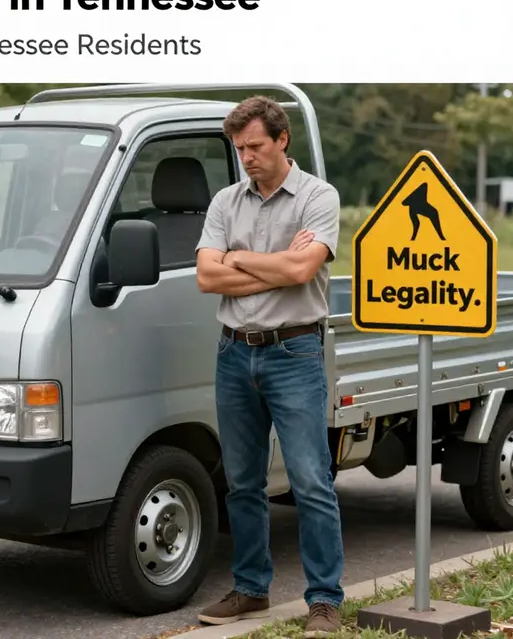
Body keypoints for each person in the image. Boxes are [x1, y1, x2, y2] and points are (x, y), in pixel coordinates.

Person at [195, 95, 345, 637]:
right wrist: (277, 267)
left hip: (295, 352)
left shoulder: (317, 197)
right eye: (239, 149)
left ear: (282, 140)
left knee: (310, 480)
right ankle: (250, 590)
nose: (247, 157)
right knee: (242, 483)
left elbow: (305, 266)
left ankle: (325, 600)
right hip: (233, 351)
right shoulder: (225, 202)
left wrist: (238, 259)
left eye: (255, 146)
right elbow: (207, 278)